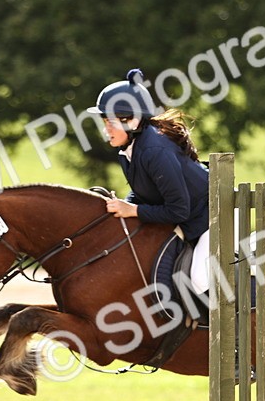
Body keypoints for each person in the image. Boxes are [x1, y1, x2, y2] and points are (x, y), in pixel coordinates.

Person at [90, 68, 213, 293]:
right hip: (187, 218)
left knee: (199, 280)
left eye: (113, 122)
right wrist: (121, 209)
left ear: (133, 121)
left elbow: (178, 210)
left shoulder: (155, 151)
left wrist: (133, 211)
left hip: (213, 216)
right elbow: (144, 194)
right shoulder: (128, 151)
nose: (107, 129)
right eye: (105, 121)